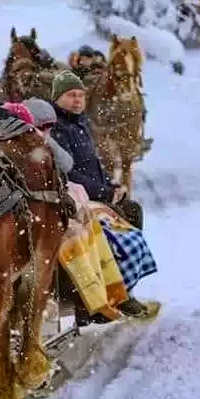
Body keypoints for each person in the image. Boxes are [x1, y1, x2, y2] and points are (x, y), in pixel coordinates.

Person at [48, 70, 158, 318]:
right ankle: (100, 298)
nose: (77, 100)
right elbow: (70, 172)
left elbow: (94, 163)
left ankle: (122, 290)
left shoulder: (81, 123)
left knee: (132, 210)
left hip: (96, 193)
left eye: (80, 95)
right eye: (71, 95)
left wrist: (113, 185)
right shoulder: (57, 128)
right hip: (78, 198)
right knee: (114, 231)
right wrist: (105, 192)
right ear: (57, 98)